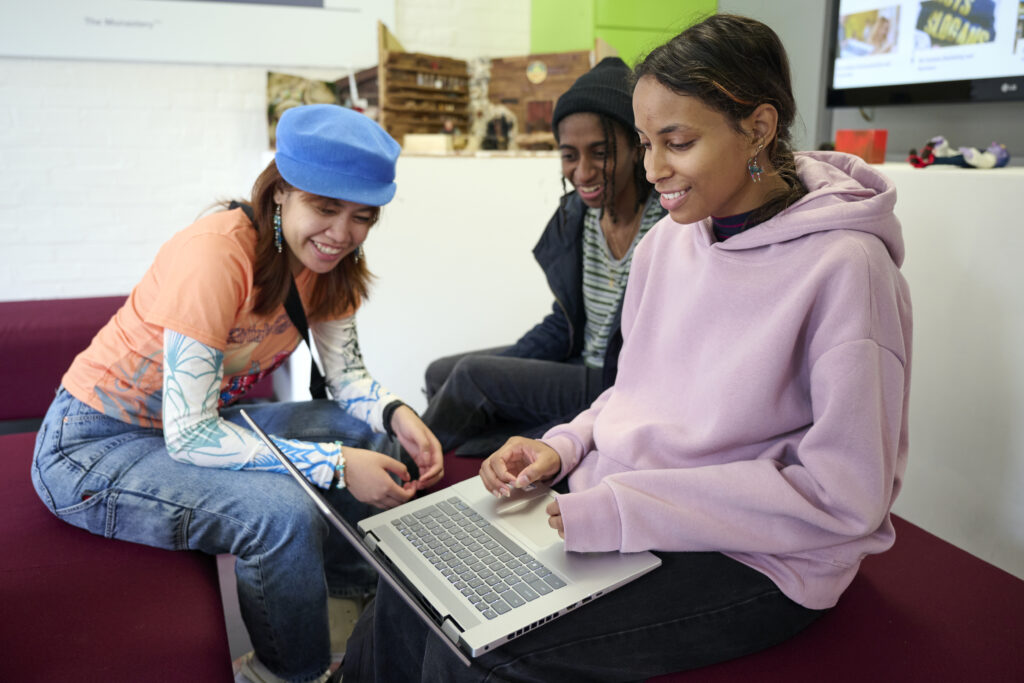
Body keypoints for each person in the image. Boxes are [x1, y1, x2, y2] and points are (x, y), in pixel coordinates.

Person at [343, 14, 912, 682]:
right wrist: (564, 445)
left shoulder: (848, 267)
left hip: (763, 552)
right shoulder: (669, 242)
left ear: (758, 128)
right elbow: (630, 392)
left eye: (677, 142)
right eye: (645, 143)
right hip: (626, 504)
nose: (653, 169)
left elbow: (844, 495)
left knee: (479, 653)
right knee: (413, 586)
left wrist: (623, 508)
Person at [30, 104, 444, 683]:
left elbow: (348, 379)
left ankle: (346, 608)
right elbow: (192, 435)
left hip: (187, 427)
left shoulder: (329, 263)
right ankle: (284, 672)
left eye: (362, 217)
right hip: (94, 446)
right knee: (283, 514)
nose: (342, 235)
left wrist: (396, 413)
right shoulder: (216, 254)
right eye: (325, 209)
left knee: (365, 433)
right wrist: (336, 465)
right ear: (280, 193)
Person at [422, 56, 666, 456]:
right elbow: (562, 323)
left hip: (619, 381)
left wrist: (497, 378)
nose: (582, 171)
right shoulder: (576, 217)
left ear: (637, 147)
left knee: (472, 377)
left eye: (599, 152)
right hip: (576, 364)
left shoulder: (665, 224)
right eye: (570, 155)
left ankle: (401, 473)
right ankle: (447, 477)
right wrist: (513, 366)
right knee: (442, 373)